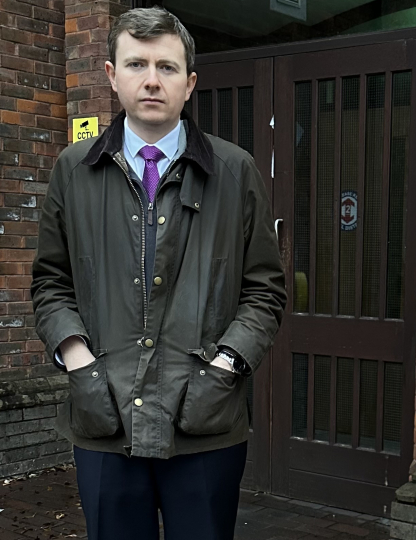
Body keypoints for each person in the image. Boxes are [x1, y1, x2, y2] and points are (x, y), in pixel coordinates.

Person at [30, 7, 287, 540]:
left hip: (205, 424)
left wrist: (223, 368)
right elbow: (51, 283)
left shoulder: (235, 171)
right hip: (103, 419)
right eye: (137, 64)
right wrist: (82, 366)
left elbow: (264, 289)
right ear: (111, 74)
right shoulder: (73, 171)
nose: (152, 80)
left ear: (189, 83)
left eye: (167, 67)